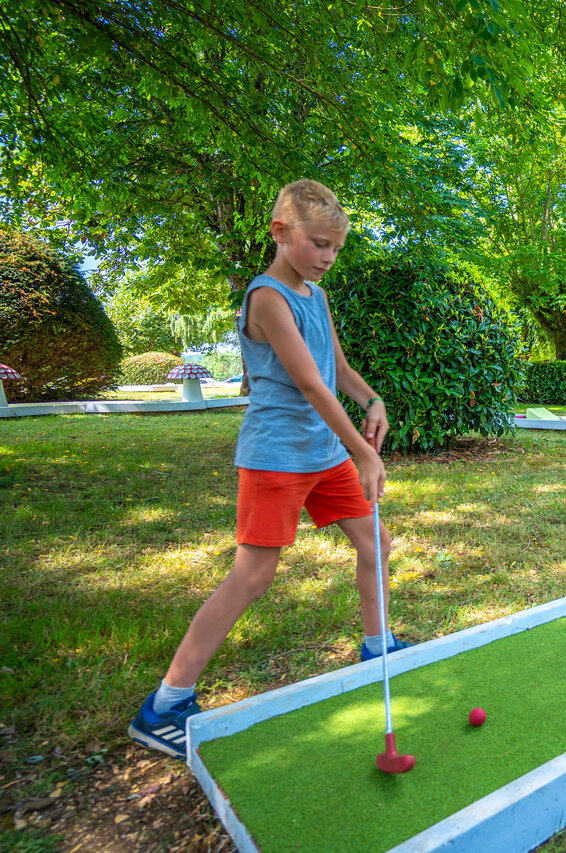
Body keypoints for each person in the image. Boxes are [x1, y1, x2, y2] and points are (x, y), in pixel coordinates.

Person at [128, 180, 404, 759]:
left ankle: (378, 647)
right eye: (319, 244)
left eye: (336, 248)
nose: (328, 257)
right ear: (281, 232)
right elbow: (306, 381)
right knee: (253, 576)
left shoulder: (314, 295)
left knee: (374, 541)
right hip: (276, 457)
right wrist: (364, 450)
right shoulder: (268, 298)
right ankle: (165, 705)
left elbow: (335, 369)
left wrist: (372, 398)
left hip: (321, 452)